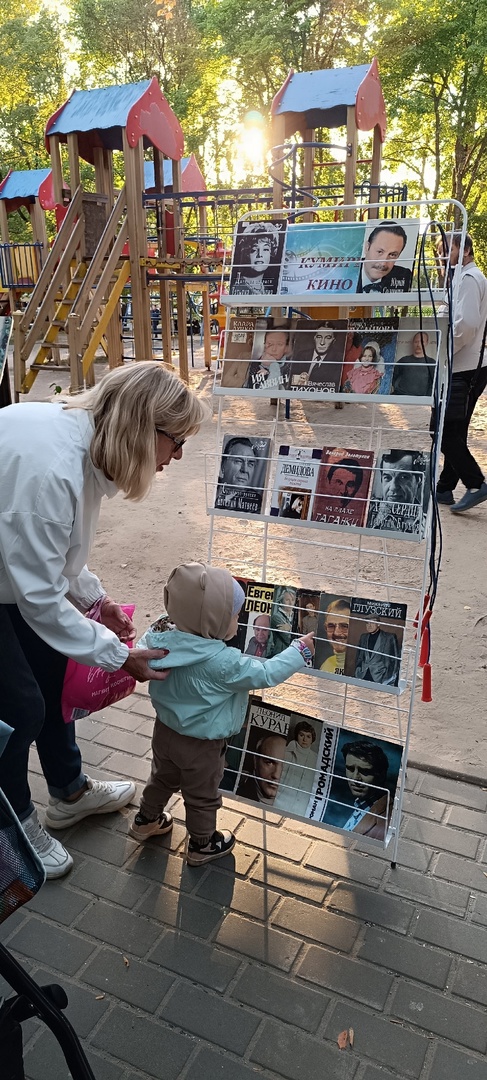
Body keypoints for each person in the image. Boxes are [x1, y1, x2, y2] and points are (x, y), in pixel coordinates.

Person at [0, 361, 206, 879]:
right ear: (143, 426)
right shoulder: (52, 470)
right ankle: (15, 828)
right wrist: (120, 656)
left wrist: (97, 597)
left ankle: (69, 793)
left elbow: (56, 555)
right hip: (11, 586)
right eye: (177, 441)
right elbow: (41, 598)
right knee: (18, 710)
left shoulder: (80, 444)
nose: (178, 456)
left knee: (52, 671)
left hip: (11, 576)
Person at [128, 562, 314, 863]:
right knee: (202, 795)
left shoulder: (157, 638)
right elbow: (266, 673)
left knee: (161, 777)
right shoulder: (222, 662)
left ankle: (145, 820)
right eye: (235, 616)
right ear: (212, 622)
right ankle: (202, 844)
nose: (238, 622)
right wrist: (299, 652)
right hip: (202, 745)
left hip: (164, 731)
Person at [434, 231, 487, 513]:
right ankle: (444, 488)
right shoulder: (460, 278)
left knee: (442, 430)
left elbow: (466, 325)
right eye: (439, 251)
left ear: (465, 250)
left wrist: (440, 351)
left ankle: (476, 483)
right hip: (466, 365)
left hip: (464, 367)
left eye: (447, 249)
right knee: (456, 429)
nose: (442, 256)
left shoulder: (469, 279)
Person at [340, 741, 391, 840]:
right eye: (350, 769)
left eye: (365, 771)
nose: (355, 778)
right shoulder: (360, 805)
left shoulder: (386, 818)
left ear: (381, 775)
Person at [274, 721, 317, 815]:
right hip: (281, 800)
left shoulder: (315, 759)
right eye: (301, 735)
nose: (304, 739)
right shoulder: (286, 751)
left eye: (308, 736)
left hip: (301, 807)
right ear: (297, 735)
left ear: (312, 739)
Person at [358, 222, 412, 293]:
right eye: (380, 252)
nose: (383, 263)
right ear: (367, 248)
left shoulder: (403, 275)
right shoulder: (346, 272)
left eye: (392, 255)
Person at [236, 733, 288, 806]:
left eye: (285, 766)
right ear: (255, 761)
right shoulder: (238, 791)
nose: (276, 775)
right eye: (269, 763)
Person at [231, 222, 282, 295]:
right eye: (254, 249)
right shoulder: (239, 289)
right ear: (247, 253)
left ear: (271, 252)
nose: (260, 255)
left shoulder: (266, 290)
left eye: (265, 249)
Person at [214, 436, 263, 513]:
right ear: (223, 464)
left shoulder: (256, 503)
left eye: (250, 464)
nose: (245, 470)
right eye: (238, 461)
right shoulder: (212, 484)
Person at [353, 619, 401, 686]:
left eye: (372, 623)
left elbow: (395, 660)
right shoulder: (363, 637)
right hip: (362, 674)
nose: (369, 625)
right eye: (367, 623)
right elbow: (359, 656)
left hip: (380, 676)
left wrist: (389, 679)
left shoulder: (389, 637)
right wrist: (358, 669)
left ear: (378, 624)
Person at [392, 331, 436, 397]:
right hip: (400, 397)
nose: (418, 345)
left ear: (427, 343)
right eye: (416, 342)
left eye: (422, 342)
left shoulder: (431, 363)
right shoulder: (404, 360)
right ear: (413, 343)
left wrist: (426, 399)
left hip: (420, 400)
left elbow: (433, 384)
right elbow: (393, 377)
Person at [319, 599, 350, 675]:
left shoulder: (363, 668)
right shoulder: (326, 665)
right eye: (331, 626)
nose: (336, 633)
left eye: (344, 626)